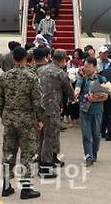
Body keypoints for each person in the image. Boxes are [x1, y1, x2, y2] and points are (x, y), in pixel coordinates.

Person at [0, 47, 44, 199]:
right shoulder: (31, 77)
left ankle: (6, 185)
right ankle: (26, 188)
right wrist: (39, 120)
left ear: (13, 58)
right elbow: (37, 102)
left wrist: (4, 115)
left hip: (9, 120)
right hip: (26, 121)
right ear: (25, 58)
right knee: (27, 154)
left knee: (8, 152)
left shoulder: (5, 76)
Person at [36, 49, 74, 178]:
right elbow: (70, 90)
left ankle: (50, 159)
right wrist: (74, 98)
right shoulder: (60, 73)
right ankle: (45, 166)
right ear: (63, 60)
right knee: (50, 137)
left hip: (40, 108)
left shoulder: (40, 69)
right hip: (51, 109)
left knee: (42, 136)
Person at [74, 58, 109, 167]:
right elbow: (78, 88)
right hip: (85, 111)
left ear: (94, 67)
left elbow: (106, 96)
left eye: (88, 66)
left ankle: (94, 152)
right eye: (85, 66)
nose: (86, 68)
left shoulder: (102, 79)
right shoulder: (82, 79)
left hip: (97, 111)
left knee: (96, 134)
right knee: (86, 134)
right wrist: (76, 93)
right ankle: (88, 155)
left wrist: (94, 99)